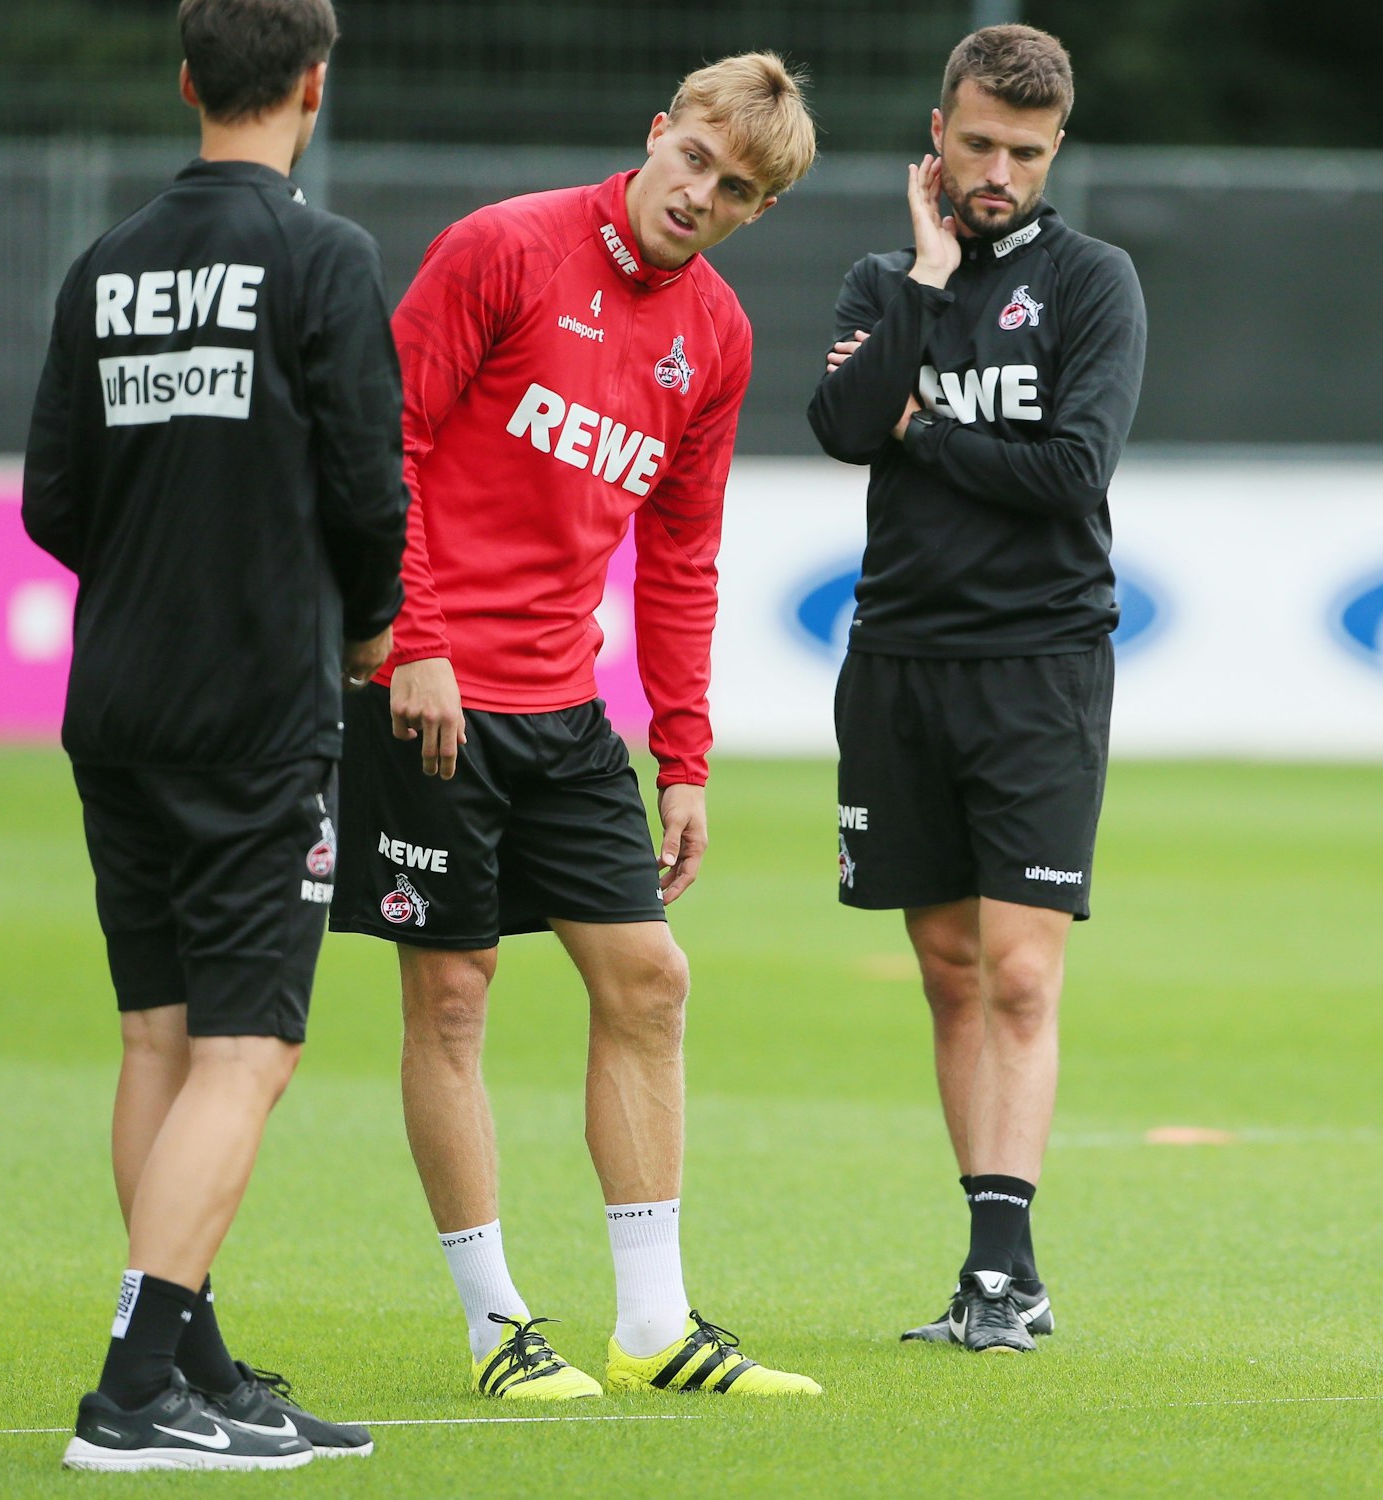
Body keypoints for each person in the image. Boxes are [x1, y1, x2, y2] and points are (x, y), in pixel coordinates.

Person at [328, 54, 820, 1401]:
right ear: (657, 134)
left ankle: (654, 1330)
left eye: (736, 191)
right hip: (429, 693)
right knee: (452, 996)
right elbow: (392, 450)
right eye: (696, 162)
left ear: (756, 211)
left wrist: (685, 758)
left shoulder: (714, 336)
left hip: (563, 709)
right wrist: (409, 639)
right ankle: (497, 1331)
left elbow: (681, 551)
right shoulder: (501, 248)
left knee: (651, 980)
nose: (702, 196)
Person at [23, 0, 406, 1470]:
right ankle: (130, 1395)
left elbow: (55, 500)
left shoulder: (106, 261)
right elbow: (370, 488)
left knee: (159, 1039)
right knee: (248, 1053)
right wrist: (368, 622)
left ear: (189, 82)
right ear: (313, 86)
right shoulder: (324, 257)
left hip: (117, 696)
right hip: (255, 703)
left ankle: (193, 1365)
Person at [807, 24, 1147, 1355]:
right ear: (938, 133)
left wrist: (927, 429)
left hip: (1041, 664)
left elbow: (1073, 472)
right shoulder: (885, 277)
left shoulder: (1094, 282)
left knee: (1017, 971)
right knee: (949, 969)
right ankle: (984, 1269)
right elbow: (841, 428)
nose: (998, 169)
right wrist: (931, 283)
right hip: (896, 661)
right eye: (979, 143)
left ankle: (1004, 1272)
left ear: (1053, 150)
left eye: (1025, 151)